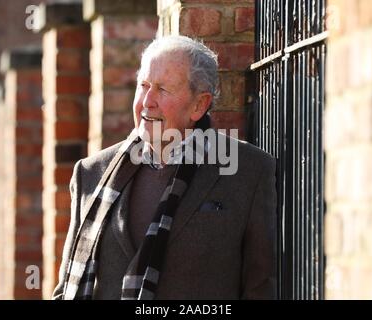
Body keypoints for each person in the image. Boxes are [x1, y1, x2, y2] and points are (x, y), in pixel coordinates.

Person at [53, 35, 277, 300]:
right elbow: (66, 288)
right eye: (143, 85)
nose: (147, 101)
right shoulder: (92, 173)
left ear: (199, 105)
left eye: (162, 89)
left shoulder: (249, 171)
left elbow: (261, 287)